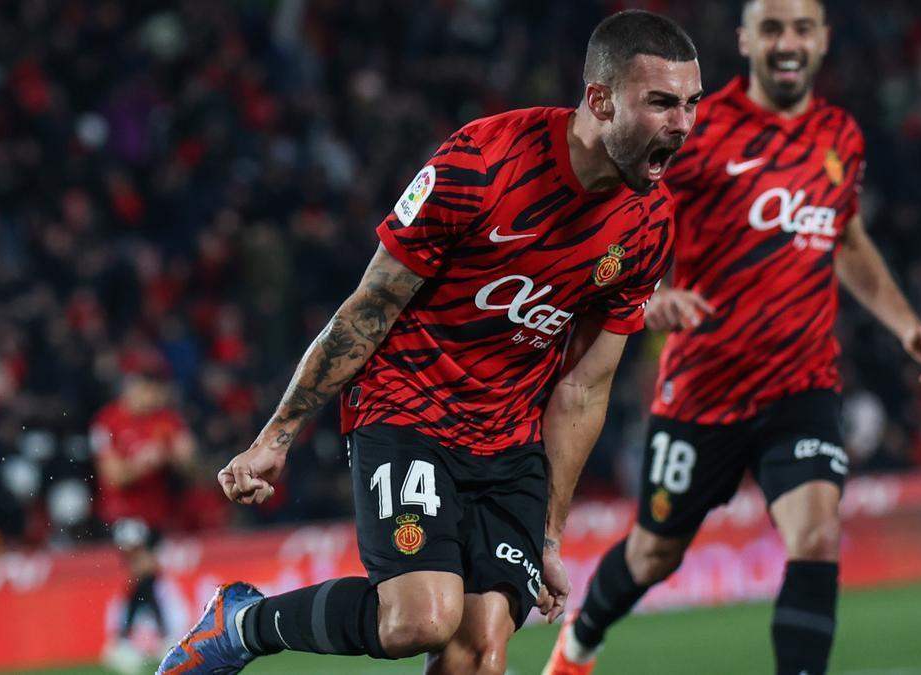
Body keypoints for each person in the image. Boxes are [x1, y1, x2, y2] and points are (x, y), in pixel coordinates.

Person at [157, 9, 702, 675]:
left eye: (690, 104)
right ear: (599, 98)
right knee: (421, 617)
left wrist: (551, 530)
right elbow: (371, 305)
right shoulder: (480, 165)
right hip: (408, 411)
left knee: (479, 652)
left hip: (510, 444)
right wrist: (278, 433)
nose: (683, 125)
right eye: (662, 103)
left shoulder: (648, 225)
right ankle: (242, 622)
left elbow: (585, 386)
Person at [543, 2, 921, 674]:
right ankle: (578, 643)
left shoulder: (840, 137)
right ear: (746, 40)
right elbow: (624, 210)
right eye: (772, 28)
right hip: (703, 389)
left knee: (818, 533)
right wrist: (647, 293)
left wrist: (908, 326)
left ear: (824, 39)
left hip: (802, 383)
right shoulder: (698, 129)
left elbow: (847, 237)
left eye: (802, 28)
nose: (788, 42)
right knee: (653, 553)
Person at [91, 369, 196, 673]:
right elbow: (112, 475)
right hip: (121, 511)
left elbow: (190, 465)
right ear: (131, 389)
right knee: (145, 567)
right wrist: (142, 463)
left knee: (146, 575)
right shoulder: (108, 421)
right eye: (147, 390)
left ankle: (151, 638)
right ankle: (124, 641)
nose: (152, 397)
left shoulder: (166, 421)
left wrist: (179, 456)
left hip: (157, 513)